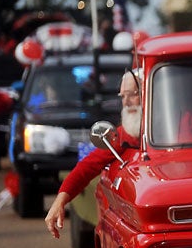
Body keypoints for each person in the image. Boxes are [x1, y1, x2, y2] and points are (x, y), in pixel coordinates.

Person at [44, 70, 142, 239]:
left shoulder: (185, 124)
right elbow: (86, 167)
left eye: (133, 94)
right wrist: (59, 202)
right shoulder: (121, 136)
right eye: (123, 96)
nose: (127, 102)